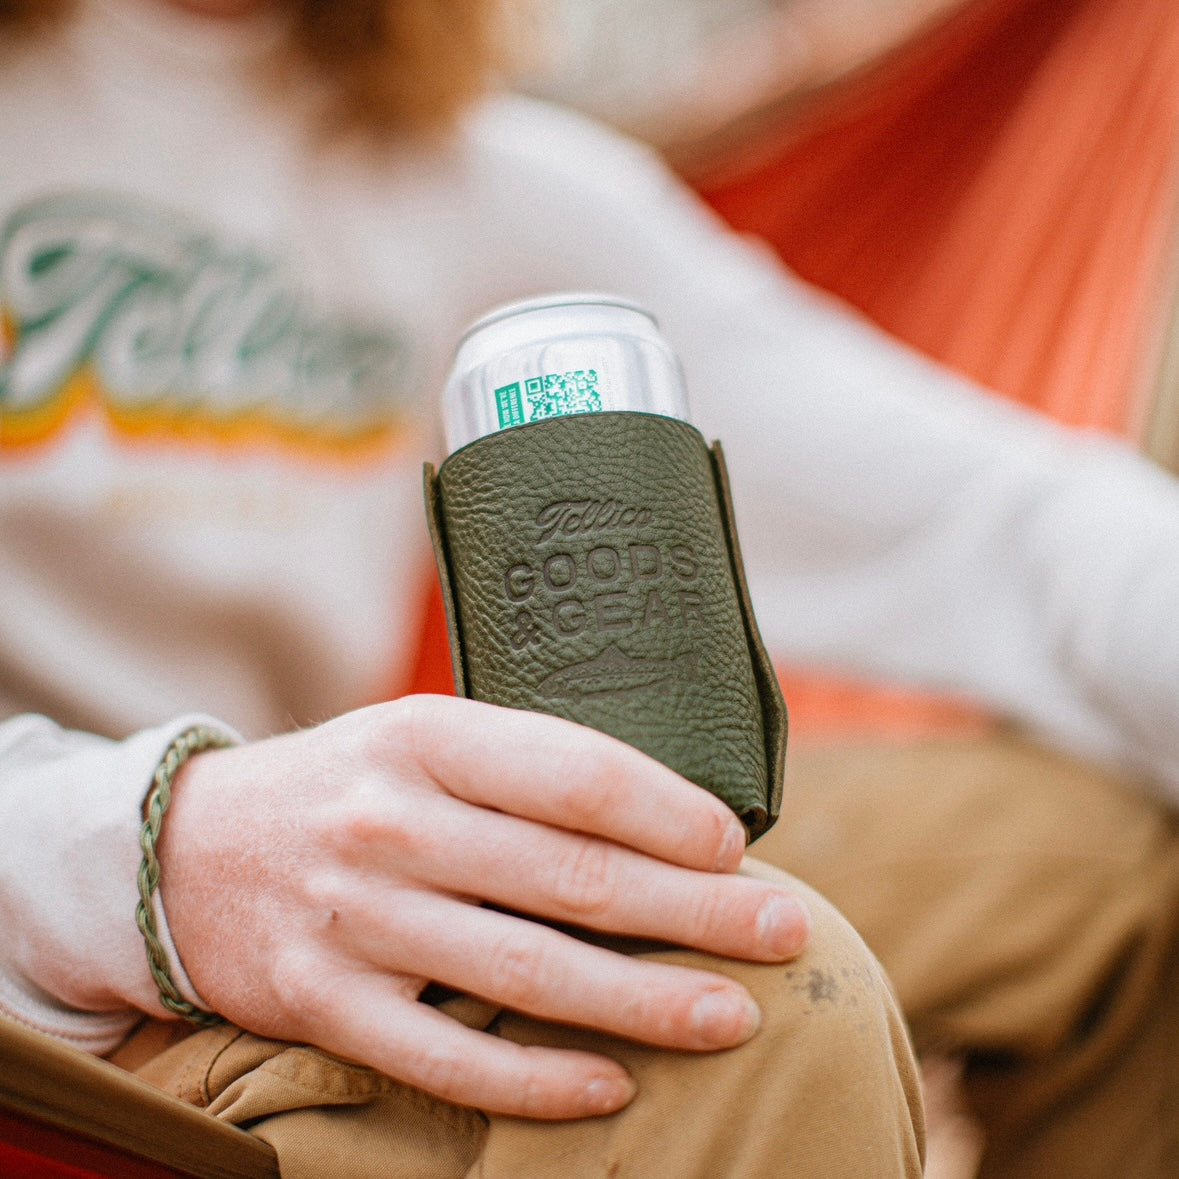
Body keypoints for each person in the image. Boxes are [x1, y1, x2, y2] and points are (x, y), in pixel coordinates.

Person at [0, 1, 1175, 1176]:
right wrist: (149, 850)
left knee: (1112, 876)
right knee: (747, 1005)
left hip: (353, 873)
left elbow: (988, 522)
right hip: (53, 1006)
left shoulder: (469, 168)